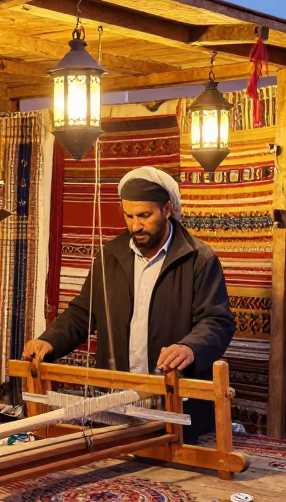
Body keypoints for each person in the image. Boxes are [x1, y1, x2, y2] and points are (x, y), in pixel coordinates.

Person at [23, 165, 236, 440]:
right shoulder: (109, 257)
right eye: (129, 216)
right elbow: (82, 312)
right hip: (117, 406)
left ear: (167, 209)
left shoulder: (199, 259)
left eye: (145, 216)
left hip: (177, 406)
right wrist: (49, 339)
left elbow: (217, 321)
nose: (135, 225)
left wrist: (190, 348)